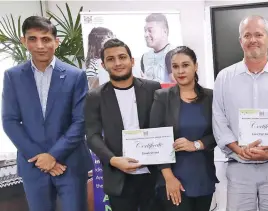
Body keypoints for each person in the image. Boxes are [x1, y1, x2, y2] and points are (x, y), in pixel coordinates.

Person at [212, 15, 268, 211]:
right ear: (240, 41)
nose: (253, 39)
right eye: (247, 35)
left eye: (258, 34)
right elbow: (219, 119)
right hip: (239, 167)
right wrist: (239, 149)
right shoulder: (224, 78)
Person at [1, 15, 91, 211]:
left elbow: (81, 121)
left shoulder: (76, 76)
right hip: (34, 165)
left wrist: (54, 155)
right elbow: (10, 121)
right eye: (33, 39)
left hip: (70, 163)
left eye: (46, 39)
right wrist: (40, 157)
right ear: (24, 41)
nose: (40, 45)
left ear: (56, 42)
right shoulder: (12, 76)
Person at [85, 38, 162, 211]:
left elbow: (163, 125)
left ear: (132, 60)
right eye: (111, 59)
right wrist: (113, 160)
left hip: (153, 174)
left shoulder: (153, 88)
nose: (117, 63)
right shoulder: (95, 96)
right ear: (103, 65)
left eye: (122, 57)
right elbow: (92, 135)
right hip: (118, 176)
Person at [150, 46, 219, 211]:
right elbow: (155, 140)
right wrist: (169, 178)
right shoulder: (162, 97)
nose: (180, 71)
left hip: (203, 177)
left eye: (185, 65)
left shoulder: (211, 97)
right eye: (175, 66)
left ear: (196, 66)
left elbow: (220, 133)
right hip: (174, 179)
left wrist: (196, 144)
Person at [141, 13, 175, 83]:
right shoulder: (145, 57)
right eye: (145, 31)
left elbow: (179, 86)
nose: (146, 35)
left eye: (150, 30)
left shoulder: (175, 54)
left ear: (164, 31)